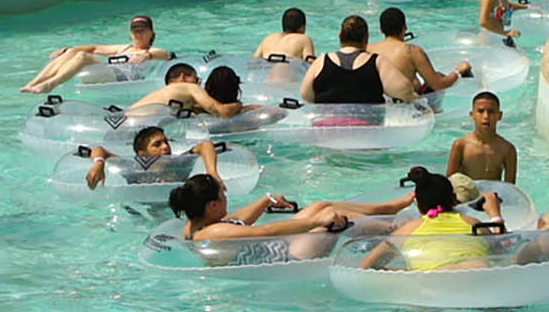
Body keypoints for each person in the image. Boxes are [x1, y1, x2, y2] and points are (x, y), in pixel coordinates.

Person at [167, 172, 414, 244]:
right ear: (212, 206)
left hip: (282, 244)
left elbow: (239, 220)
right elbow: (267, 232)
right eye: (223, 196)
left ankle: (390, 207)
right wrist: (317, 222)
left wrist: (266, 200)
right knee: (331, 217)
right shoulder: (212, 234)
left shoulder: (198, 224)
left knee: (321, 204)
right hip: (287, 252)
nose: (227, 200)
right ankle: (399, 228)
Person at [360, 166, 496, 271]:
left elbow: (367, 266)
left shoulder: (407, 230)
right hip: (477, 271)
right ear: (454, 199)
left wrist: (405, 273)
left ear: (418, 204)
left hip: (434, 279)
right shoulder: (472, 223)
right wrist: (495, 214)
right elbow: (503, 249)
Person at [20, 14, 173, 94]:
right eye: (135, 30)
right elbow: (93, 48)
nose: (138, 34)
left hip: (122, 77)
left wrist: (147, 56)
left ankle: (50, 84)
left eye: (142, 30)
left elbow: (168, 54)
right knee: (75, 52)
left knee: (82, 57)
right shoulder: (124, 48)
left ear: (151, 32)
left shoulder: (151, 51)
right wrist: (67, 49)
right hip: (108, 71)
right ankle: (33, 83)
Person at [300, 15, 418, 104]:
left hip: (326, 127)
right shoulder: (376, 61)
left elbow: (305, 95)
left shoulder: (322, 60)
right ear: (366, 38)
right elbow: (404, 89)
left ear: (340, 36)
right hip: (367, 128)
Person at [84, 124, 223, 190]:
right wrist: (98, 163)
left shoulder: (179, 164)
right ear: (142, 154)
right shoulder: (133, 168)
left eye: (166, 142)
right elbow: (99, 150)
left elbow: (206, 145)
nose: (165, 147)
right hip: (143, 212)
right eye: (157, 144)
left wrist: (212, 172)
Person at [372, 6, 470, 95]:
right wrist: (458, 71)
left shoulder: (368, 49)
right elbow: (438, 85)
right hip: (401, 108)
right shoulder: (411, 51)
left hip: (373, 104)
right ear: (405, 26)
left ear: (381, 29)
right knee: (438, 77)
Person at [446, 92, 517, 184]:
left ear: (499, 116)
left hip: (494, 196)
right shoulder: (461, 145)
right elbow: (450, 181)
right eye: (480, 111)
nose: (486, 116)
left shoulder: (507, 149)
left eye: (491, 112)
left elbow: (510, 187)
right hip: (468, 196)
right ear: (472, 115)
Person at [131, 62, 246, 118]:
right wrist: (238, 105)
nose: (198, 84)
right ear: (183, 77)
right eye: (196, 79)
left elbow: (197, 109)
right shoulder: (190, 87)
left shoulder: (165, 94)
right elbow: (222, 112)